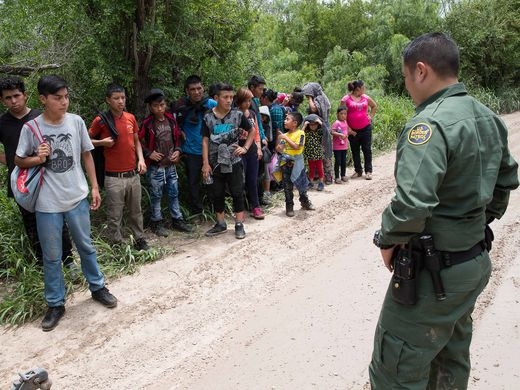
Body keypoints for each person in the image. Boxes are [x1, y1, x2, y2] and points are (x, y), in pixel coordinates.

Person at [369, 32, 519, 388]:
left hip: (433, 275)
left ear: (421, 71)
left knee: (396, 369)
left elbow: (411, 204)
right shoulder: (487, 117)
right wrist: (472, 225)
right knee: (449, 359)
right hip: (471, 262)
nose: (408, 87)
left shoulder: (429, 124)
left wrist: (387, 240)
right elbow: (505, 183)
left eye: (406, 78)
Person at [14, 75, 118, 331]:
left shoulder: (76, 122)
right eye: (57, 98)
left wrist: (94, 186)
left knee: (86, 246)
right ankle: (55, 304)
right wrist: (36, 158)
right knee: (52, 256)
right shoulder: (31, 129)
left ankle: (98, 287)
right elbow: (18, 161)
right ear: (43, 99)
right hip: (46, 204)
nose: (64, 102)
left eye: (66, 97)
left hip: (76, 198)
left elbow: (86, 154)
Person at [0, 76, 75, 270]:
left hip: (48, 179)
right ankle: (43, 264)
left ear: (25, 95)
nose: (13, 101)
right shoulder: (2, 123)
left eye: (16, 95)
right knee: (31, 224)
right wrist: (10, 161)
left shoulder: (38, 118)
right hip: (23, 184)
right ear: (2, 101)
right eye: (8, 98)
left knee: (59, 221)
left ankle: (68, 260)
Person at [88, 83, 149, 250]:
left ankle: (139, 239)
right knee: (115, 215)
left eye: (122, 98)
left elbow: (136, 140)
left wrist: (141, 159)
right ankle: (116, 244)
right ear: (108, 100)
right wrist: (101, 142)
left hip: (132, 174)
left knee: (136, 211)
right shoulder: (101, 120)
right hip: (113, 177)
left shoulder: (130, 118)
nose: (120, 101)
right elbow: (85, 140)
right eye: (116, 98)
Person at [201, 82, 254, 239]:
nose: (229, 100)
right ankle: (220, 223)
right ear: (216, 98)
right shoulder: (208, 117)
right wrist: (205, 164)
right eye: (225, 97)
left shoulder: (238, 115)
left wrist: (244, 148)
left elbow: (251, 130)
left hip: (234, 162)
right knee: (217, 193)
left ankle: (239, 224)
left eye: (231, 97)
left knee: (237, 192)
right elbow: (204, 140)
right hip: (214, 162)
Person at [139, 88, 194, 236]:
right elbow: (138, 141)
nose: (160, 108)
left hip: (171, 165)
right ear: (150, 107)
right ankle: (156, 222)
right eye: (156, 106)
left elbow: (177, 138)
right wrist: (149, 154)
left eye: (162, 105)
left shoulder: (171, 120)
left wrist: (178, 151)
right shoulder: (147, 123)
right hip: (156, 167)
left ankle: (177, 220)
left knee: (173, 192)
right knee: (156, 195)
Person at [173, 75, 216, 219]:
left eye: (199, 88)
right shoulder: (181, 106)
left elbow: (224, 117)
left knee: (212, 181)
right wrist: (180, 132)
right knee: (193, 183)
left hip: (210, 150)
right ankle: (197, 212)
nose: (197, 92)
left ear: (203, 88)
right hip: (190, 151)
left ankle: (214, 209)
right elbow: (174, 125)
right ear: (187, 91)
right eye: (193, 89)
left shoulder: (211, 104)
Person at [275, 111, 315, 217]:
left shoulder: (300, 134)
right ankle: (289, 207)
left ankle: (305, 202)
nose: (285, 121)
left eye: (287, 119)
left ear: (295, 123)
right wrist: (279, 145)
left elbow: (297, 147)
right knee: (287, 187)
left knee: (301, 185)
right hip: (285, 164)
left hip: (297, 164)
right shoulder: (286, 135)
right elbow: (280, 149)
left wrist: (285, 138)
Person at [235, 87, 265, 220]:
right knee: (239, 180)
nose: (248, 103)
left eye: (250, 100)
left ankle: (255, 206)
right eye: (246, 100)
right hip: (238, 149)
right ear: (240, 100)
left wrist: (258, 147)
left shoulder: (252, 114)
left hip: (251, 149)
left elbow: (256, 132)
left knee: (252, 179)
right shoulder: (233, 114)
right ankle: (239, 208)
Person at [340, 79, 377, 180]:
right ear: (358, 89)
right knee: (355, 150)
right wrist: (348, 129)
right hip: (353, 130)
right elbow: (341, 114)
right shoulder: (345, 99)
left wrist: (370, 116)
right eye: (363, 87)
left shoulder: (365, 97)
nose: (364, 89)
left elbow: (374, 106)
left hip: (366, 128)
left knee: (367, 150)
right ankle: (358, 170)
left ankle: (368, 171)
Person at [301, 82, 333, 184]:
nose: (307, 97)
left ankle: (327, 177)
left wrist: (310, 98)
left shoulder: (320, 98)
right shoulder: (318, 98)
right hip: (314, 129)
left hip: (322, 129)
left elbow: (313, 109)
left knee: (325, 154)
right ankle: (316, 176)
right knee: (314, 153)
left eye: (308, 94)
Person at [302, 114, 325, 191]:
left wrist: (320, 122)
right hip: (310, 155)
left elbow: (326, 131)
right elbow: (300, 136)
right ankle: (311, 183)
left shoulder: (319, 132)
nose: (312, 126)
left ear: (317, 125)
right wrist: (304, 126)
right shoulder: (306, 133)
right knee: (311, 169)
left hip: (318, 154)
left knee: (320, 169)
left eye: (314, 124)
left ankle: (321, 183)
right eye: (310, 125)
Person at [331, 106, 350, 184]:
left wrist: (347, 135)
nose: (343, 115)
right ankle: (337, 177)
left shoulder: (345, 122)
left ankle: (343, 175)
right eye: (341, 114)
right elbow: (332, 132)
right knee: (338, 161)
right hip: (337, 147)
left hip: (344, 146)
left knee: (343, 161)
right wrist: (339, 134)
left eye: (345, 114)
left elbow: (346, 131)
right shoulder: (336, 123)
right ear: (337, 114)